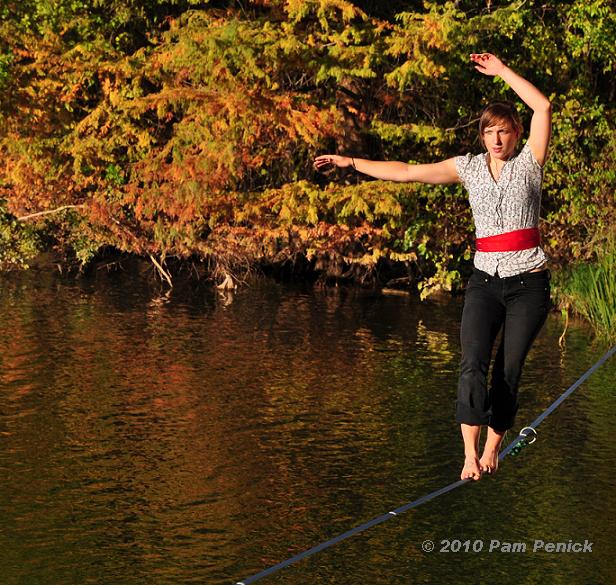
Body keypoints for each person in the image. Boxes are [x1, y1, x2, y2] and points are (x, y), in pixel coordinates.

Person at [314, 53, 552, 481]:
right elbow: (405, 172)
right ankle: (468, 454)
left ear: (516, 134)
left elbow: (543, 107)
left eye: (504, 132)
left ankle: (494, 447)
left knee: (507, 371)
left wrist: (502, 72)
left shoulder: (529, 164)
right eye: (489, 132)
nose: (496, 140)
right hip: (484, 281)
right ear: (481, 136)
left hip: (528, 285)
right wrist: (351, 162)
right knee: (471, 363)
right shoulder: (468, 168)